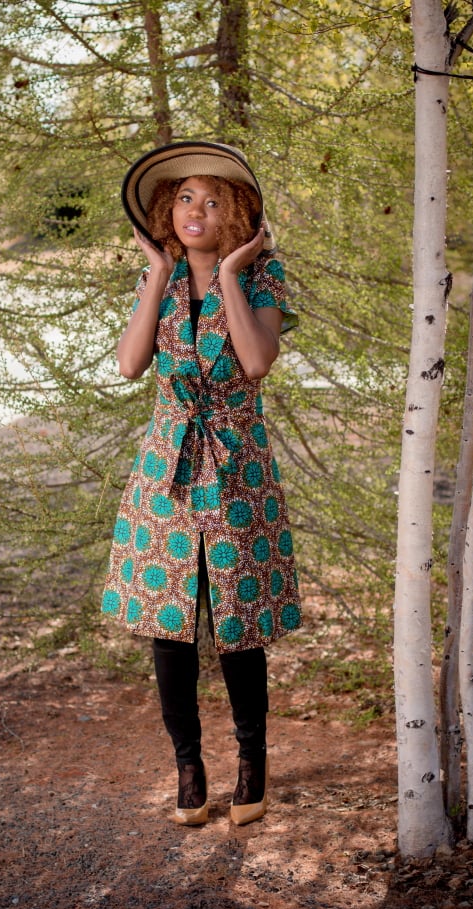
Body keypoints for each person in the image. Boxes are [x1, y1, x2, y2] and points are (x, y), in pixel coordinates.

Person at [101, 141, 301, 827]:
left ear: (237, 213)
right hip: (166, 472)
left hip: (238, 468)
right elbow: (130, 365)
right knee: (170, 628)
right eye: (186, 197)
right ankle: (188, 769)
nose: (196, 209)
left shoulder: (265, 275)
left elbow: (255, 361)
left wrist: (235, 273)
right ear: (167, 208)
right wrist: (156, 276)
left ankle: (253, 765)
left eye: (214, 200)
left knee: (238, 625)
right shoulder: (156, 279)